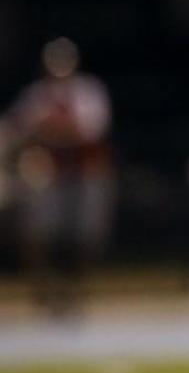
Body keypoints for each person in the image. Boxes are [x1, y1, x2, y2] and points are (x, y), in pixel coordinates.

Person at [3, 36, 115, 317]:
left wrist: (48, 128)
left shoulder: (89, 91)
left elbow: (89, 131)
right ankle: (45, 290)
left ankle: (74, 293)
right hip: (48, 175)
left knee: (86, 237)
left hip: (83, 174)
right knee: (37, 234)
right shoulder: (36, 96)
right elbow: (16, 130)